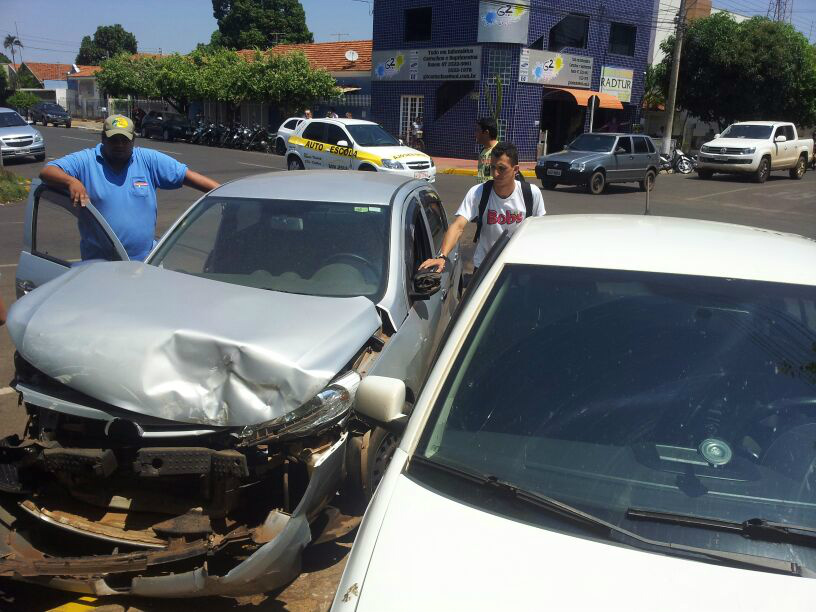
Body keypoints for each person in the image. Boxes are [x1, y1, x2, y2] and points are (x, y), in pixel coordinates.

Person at [40, 114, 219, 262]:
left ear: (133, 140)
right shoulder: (86, 160)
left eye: (125, 140)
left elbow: (187, 176)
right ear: (103, 138)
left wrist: (225, 193)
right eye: (114, 140)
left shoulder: (148, 160)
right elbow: (48, 171)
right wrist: (71, 181)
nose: (119, 145)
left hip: (145, 262)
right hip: (99, 265)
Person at [420, 142, 545, 275]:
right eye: (493, 167)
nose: (495, 174)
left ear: (515, 169)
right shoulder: (478, 192)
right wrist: (442, 256)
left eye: (502, 168)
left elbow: (539, 231)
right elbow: (458, 226)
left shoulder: (531, 193)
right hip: (485, 265)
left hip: (518, 266)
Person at [475, 117, 499, 184]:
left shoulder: (500, 150)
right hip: (483, 191)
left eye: (478, 130)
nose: (475, 134)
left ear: (486, 133)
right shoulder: (482, 151)